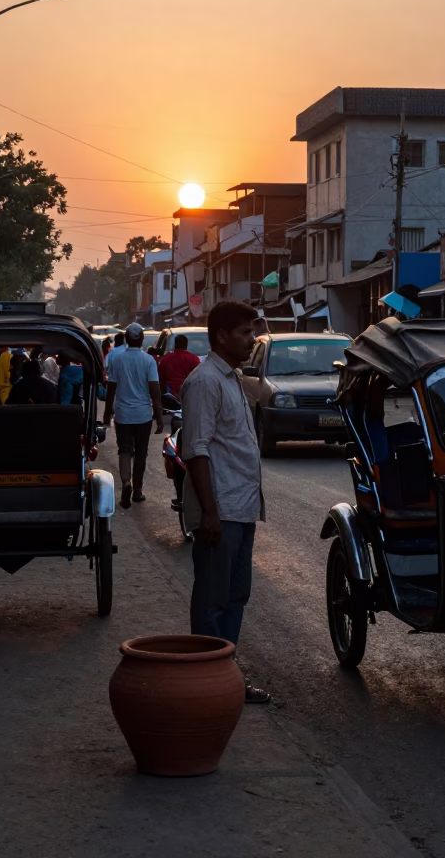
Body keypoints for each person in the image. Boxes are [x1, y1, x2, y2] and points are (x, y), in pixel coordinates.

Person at [181, 301, 269, 704]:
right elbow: (195, 450)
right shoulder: (205, 381)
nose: (252, 339)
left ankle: (226, 679)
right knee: (213, 601)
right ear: (221, 336)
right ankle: (205, 683)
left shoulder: (232, 377)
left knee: (236, 597)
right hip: (222, 511)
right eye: (246, 332)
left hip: (242, 507)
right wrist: (210, 513)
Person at [103, 323, 163, 509]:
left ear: (127, 339)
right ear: (142, 339)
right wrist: (159, 416)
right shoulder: (149, 361)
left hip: (122, 414)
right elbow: (155, 390)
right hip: (143, 415)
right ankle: (137, 490)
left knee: (125, 451)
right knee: (141, 454)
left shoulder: (117, 359)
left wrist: (107, 412)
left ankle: (126, 483)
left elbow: (111, 388)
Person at [158, 333, 200, 397]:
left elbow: (160, 379)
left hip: (170, 394)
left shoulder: (166, 358)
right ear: (186, 345)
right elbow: (198, 379)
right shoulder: (194, 359)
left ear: (175, 344)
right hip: (188, 394)